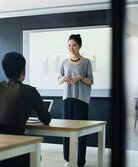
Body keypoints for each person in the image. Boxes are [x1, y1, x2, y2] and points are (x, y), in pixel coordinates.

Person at [0, 52, 51, 129]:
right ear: (24, 71)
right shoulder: (30, 91)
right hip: (14, 139)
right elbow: (46, 119)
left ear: (4, 72)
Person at [58, 34, 94, 167]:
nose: (71, 48)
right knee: (66, 130)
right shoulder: (64, 62)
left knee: (80, 131)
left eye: (74, 45)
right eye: (69, 45)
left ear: (80, 46)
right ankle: (68, 158)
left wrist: (80, 77)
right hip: (67, 99)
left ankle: (80, 161)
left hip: (81, 100)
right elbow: (59, 79)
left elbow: (90, 81)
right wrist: (63, 79)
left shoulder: (86, 62)